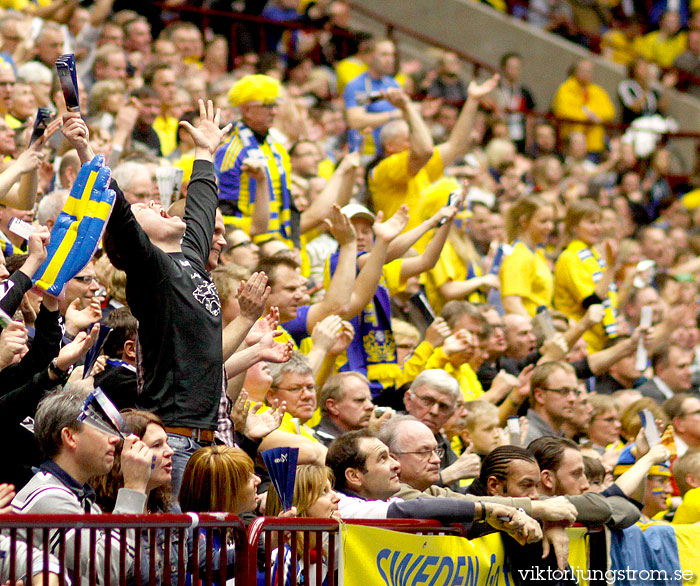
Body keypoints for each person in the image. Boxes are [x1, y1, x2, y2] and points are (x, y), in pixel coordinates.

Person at [61, 100, 233, 497]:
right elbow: (117, 210)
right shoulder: (152, 271)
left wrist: (205, 152)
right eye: (147, 207)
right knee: (173, 550)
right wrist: (87, 152)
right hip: (174, 441)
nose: (158, 202)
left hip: (209, 442)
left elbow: (203, 206)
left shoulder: (189, 258)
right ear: (135, 240)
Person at [12, 388, 155, 586]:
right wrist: (134, 488)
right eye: (102, 428)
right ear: (70, 437)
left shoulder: (81, 497)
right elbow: (107, 573)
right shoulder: (47, 497)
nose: (115, 438)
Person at [325, 429, 542, 545]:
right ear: (354, 476)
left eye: (392, 457)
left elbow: (458, 526)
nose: (396, 465)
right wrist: (487, 509)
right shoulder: (340, 505)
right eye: (383, 459)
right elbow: (413, 509)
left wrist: (515, 522)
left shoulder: (389, 501)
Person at [92, 410, 179, 585]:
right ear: (124, 456)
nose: (170, 451)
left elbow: (207, 562)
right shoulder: (98, 514)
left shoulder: (168, 508)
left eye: (167, 443)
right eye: (156, 445)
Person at [214, 75, 295, 248]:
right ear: (246, 110)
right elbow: (226, 211)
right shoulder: (230, 151)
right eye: (266, 106)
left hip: (279, 239)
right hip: (249, 243)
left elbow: (289, 202)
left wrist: (294, 244)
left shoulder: (279, 150)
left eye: (274, 105)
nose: (273, 111)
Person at [178, 446, 261, 583]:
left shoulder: (230, 531)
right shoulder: (192, 537)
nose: (257, 480)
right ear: (224, 492)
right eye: (247, 477)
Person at [554, 199, 620, 352]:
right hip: (581, 343)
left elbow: (609, 300)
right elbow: (592, 301)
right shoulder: (570, 257)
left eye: (598, 222)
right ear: (574, 227)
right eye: (591, 223)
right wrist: (611, 268)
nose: (597, 228)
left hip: (599, 341)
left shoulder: (594, 255)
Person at [266, 465, 340, 586]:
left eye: (331, 489)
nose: (337, 497)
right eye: (323, 491)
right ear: (297, 505)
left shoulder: (318, 556)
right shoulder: (284, 557)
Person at [500, 195, 555, 316]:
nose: (550, 227)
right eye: (543, 221)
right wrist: (533, 330)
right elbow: (511, 302)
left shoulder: (537, 253)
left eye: (551, 221)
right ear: (524, 221)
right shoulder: (518, 256)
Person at [551, 59, 616, 158]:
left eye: (589, 71)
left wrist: (595, 116)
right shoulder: (565, 89)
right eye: (584, 70)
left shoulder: (598, 91)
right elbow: (562, 111)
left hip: (594, 144)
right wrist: (586, 116)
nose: (587, 74)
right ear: (575, 71)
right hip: (571, 142)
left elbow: (610, 111)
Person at [313, 372, 376, 446]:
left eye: (370, 400)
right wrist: (373, 434)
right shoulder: (315, 441)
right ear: (332, 406)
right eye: (359, 400)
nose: (370, 406)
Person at [524, 361, 578, 444]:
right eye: (563, 391)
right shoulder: (524, 436)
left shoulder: (559, 436)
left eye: (575, 392)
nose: (572, 398)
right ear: (540, 396)